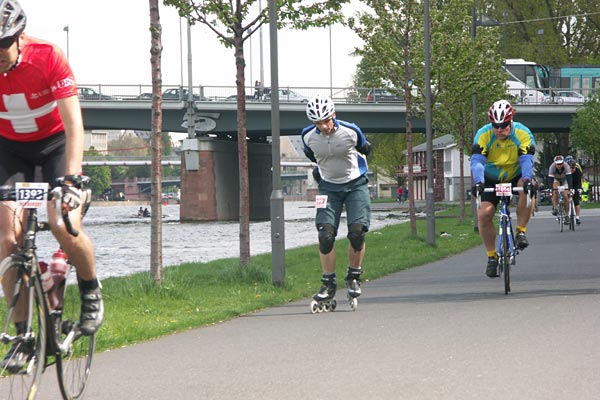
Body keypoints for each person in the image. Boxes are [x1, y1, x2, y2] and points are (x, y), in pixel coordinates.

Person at [0, 0, 103, 372]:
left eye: (1, 47)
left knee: (63, 223)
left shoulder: (47, 57)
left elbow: (75, 124)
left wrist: (72, 179)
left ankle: (91, 290)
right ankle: (23, 336)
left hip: (56, 145)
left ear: (19, 38)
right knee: (8, 240)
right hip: (10, 150)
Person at [301, 95, 371, 304]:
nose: (323, 126)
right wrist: (320, 172)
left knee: (357, 232)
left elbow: (365, 149)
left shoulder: (350, 131)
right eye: (318, 123)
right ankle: (328, 284)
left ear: (333, 114)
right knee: (325, 235)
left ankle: (353, 277)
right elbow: (313, 156)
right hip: (327, 188)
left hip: (355, 184)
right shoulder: (307, 137)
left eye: (326, 120)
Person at [470, 100, 536, 278]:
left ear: (511, 122)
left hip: (516, 174)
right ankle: (492, 257)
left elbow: (526, 160)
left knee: (528, 188)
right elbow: (477, 162)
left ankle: (521, 231)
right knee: (484, 214)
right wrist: (478, 182)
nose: (499, 129)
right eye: (495, 126)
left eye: (504, 125)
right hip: (490, 178)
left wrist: (528, 179)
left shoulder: (522, 133)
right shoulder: (483, 135)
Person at [547, 154, 572, 220]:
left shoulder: (567, 166)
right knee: (555, 191)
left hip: (565, 180)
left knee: (565, 196)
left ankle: (567, 215)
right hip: (556, 180)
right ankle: (555, 208)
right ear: (555, 163)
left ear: (563, 162)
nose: (559, 165)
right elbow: (550, 179)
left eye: (561, 164)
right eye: (558, 164)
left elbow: (569, 178)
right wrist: (550, 189)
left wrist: (570, 189)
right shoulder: (552, 167)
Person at [565, 155, 582, 225]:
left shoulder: (577, 171)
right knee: (565, 198)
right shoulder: (565, 170)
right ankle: (566, 215)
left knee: (576, 201)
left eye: (573, 168)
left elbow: (579, 181)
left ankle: (577, 217)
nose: (572, 170)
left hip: (575, 183)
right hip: (567, 183)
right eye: (570, 168)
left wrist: (579, 189)